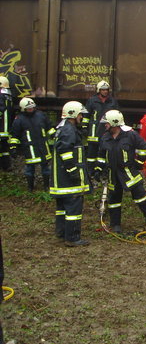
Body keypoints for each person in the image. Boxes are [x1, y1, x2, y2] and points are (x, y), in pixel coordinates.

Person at [95, 110, 146, 233]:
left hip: (129, 173)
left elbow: (143, 147)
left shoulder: (130, 135)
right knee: (114, 201)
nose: (105, 125)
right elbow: (101, 155)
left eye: (107, 123)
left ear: (114, 123)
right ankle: (115, 225)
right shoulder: (105, 137)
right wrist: (98, 169)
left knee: (141, 197)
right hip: (113, 175)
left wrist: (139, 163)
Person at [50, 101, 91, 247]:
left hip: (61, 180)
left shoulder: (64, 128)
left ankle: (62, 233)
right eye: (80, 114)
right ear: (73, 114)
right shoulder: (69, 131)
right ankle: (72, 238)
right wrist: (73, 172)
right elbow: (66, 153)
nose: (82, 117)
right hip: (69, 181)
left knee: (62, 209)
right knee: (73, 209)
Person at [9, 98, 55, 192]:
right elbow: (15, 135)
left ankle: (46, 186)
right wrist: (13, 147)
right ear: (23, 109)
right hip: (29, 148)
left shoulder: (41, 115)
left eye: (32, 108)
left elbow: (49, 127)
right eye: (28, 108)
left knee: (46, 168)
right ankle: (30, 187)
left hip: (42, 146)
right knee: (29, 169)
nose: (31, 110)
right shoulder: (19, 119)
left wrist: (55, 137)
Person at [83, 80, 119, 172]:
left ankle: (103, 170)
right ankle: (91, 171)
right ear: (99, 90)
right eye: (103, 90)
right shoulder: (92, 101)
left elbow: (117, 115)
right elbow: (86, 115)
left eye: (106, 90)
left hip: (106, 131)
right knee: (92, 153)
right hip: (94, 132)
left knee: (105, 152)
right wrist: (84, 127)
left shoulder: (112, 101)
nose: (105, 91)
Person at [0, 76, 13, 171]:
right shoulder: (8, 96)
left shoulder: (1, 97)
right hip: (6, 129)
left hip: (1, 128)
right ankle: (6, 166)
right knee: (4, 149)